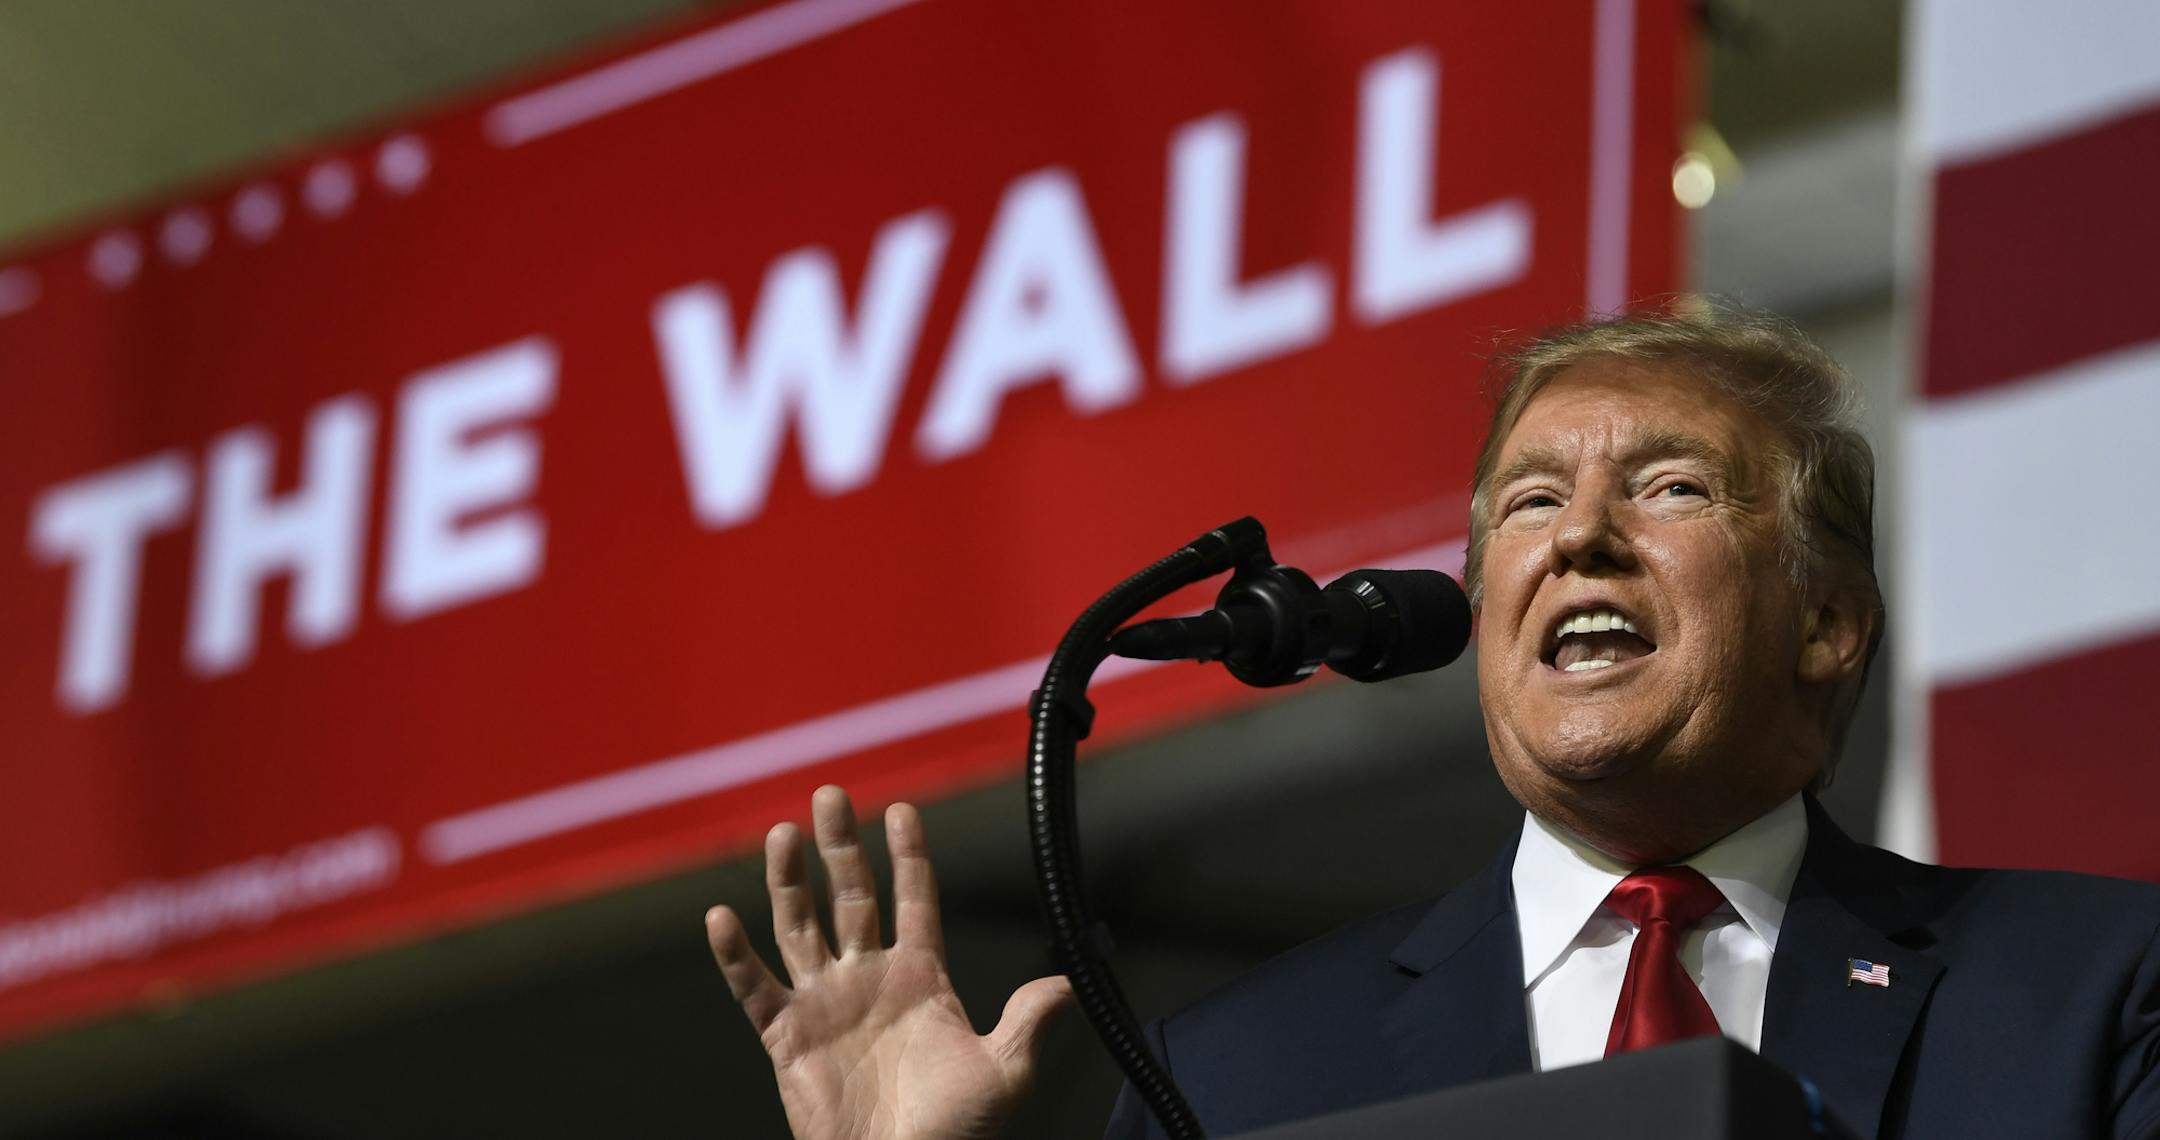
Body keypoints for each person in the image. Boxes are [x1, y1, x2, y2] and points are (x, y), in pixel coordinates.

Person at [703, 309, 2160, 1140]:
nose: (1578, 536)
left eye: (1670, 489)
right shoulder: (1235, 1076)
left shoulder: (2091, 991)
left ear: (1828, 622)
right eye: (1529, 502)